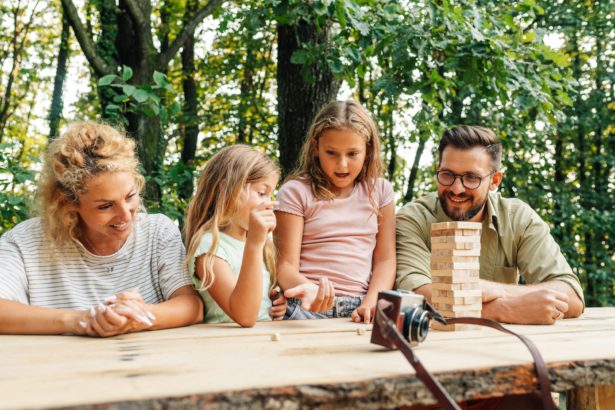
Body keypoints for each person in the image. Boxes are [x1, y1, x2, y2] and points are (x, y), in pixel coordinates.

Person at [0, 121, 203, 336]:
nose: (125, 215)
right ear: (68, 202)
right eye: (105, 206)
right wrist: (82, 320)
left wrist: (138, 317)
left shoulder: (158, 232)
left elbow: (192, 306)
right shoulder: (24, 242)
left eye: (130, 196)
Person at [396, 125, 584, 325]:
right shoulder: (413, 218)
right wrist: (506, 308)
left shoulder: (518, 218)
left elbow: (571, 294)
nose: (457, 188)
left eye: (471, 178)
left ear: (494, 181)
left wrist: (496, 290)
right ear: (437, 171)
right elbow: (415, 295)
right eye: (447, 175)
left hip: (507, 347)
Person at [274, 100, 396, 323]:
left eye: (352, 154)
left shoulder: (380, 191)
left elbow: (385, 260)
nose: (342, 165)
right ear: (315, 147)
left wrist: (371, 302)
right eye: (331, 153)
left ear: (367, 151)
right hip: (306, 307)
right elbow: (284, 266)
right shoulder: (295, 192)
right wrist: (308, 289)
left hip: (361, 308)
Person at [184, 145, 286, 327]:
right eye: (262, 193)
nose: (269, 204)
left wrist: (276, 302)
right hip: (228, 344)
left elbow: (257, 304)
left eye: (270, 195)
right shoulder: (209, 246)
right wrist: (254, 244)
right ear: (228, 191)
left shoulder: (260, 243)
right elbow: (244, 316)